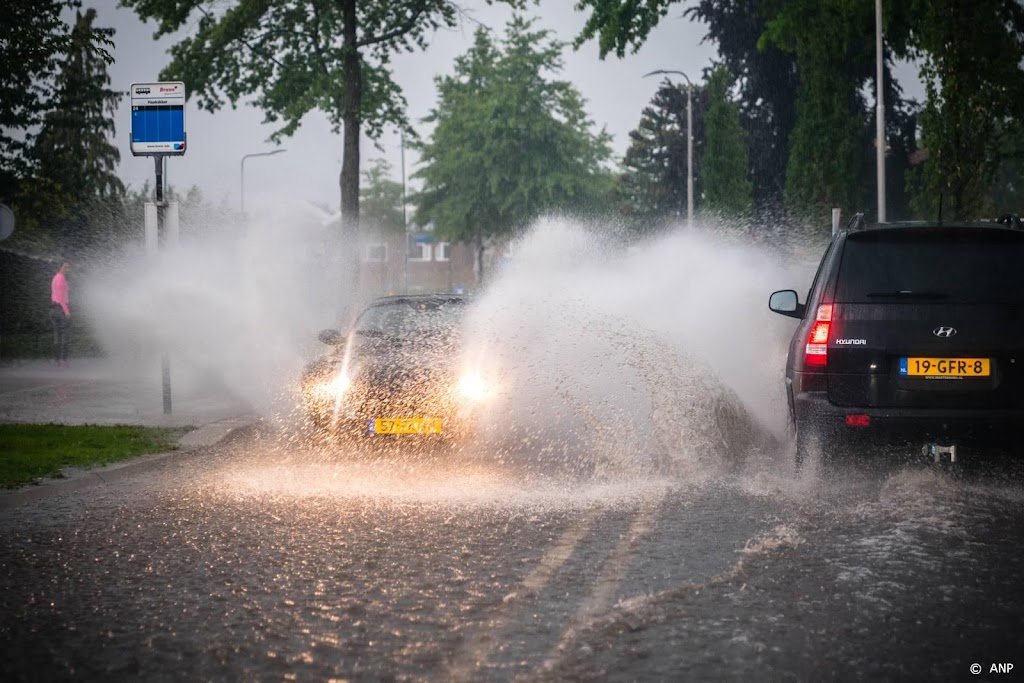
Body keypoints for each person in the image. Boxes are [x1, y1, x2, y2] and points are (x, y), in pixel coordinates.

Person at [49, 261, 71, 366]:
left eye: (68, 267)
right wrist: (66, 311)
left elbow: (54, 294)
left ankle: (57, 359)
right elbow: (61, 297)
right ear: (60, 267)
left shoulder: (55, 277)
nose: (67, 269)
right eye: (65, 267)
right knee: (65, 334)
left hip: (53, 309)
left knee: (57, 335)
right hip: (61, 309)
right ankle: (63, 359)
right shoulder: (61, 278)